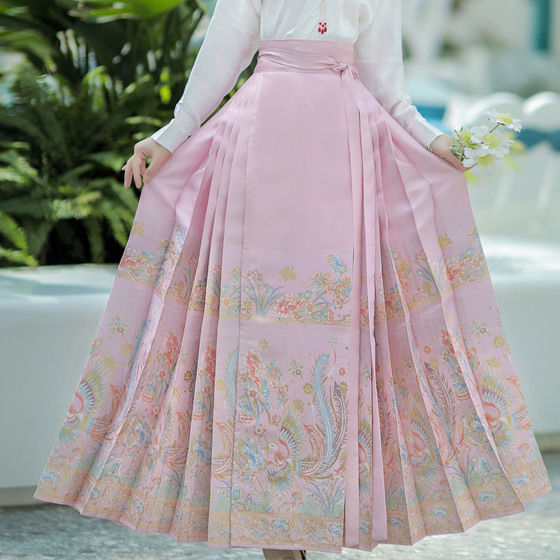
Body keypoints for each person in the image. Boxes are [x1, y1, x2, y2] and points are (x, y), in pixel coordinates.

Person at [34, 1, 552, 559]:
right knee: (260, 335)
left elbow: (391, 89)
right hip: (262, 151)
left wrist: (434, 143)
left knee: (332, 337)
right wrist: (169, 136)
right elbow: (221, 60)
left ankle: (311, 518)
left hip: (344, 158)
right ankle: (276, 536)